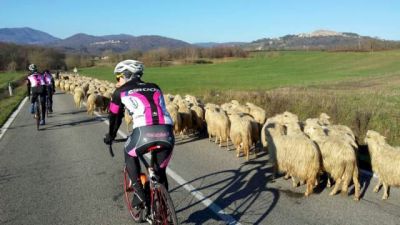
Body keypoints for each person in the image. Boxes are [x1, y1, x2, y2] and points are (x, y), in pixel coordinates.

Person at [103, 60, 175, 210]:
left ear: (127, 75)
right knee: (159, 173)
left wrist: (111, 136)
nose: (117, 81)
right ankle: (163, 210)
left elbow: (114, 117)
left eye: (118, 77)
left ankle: (140, 192)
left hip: (143, 132)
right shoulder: (155, 87)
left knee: (129, 152)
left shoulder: (119, 92)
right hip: (167, 132)